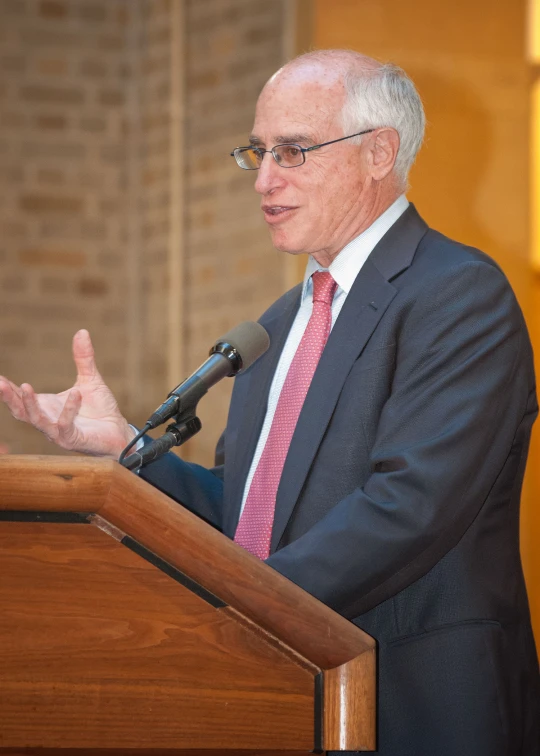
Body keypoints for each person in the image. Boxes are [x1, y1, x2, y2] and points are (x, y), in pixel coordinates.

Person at [1, 50, 539, 755]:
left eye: (292, 152)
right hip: (282, 698)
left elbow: (409, 507)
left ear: (380, 153)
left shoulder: (456, 294)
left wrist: (231, 615)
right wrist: (124, 450)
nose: (263, 179)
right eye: (258, 151)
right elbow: (247, 513)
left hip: (417, 704)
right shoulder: (279, 323)